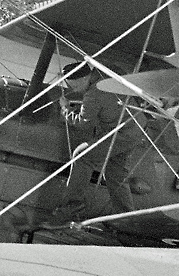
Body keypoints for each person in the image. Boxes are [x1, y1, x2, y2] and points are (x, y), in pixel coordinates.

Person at [59, 63, 149, 216]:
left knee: (82, 156)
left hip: (122, 133)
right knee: (116, 173)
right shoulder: (104, 75)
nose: (73, 89)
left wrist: (65, 109)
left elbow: (83, 123)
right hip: (137, 127)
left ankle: (73, 205)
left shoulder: (93, 94)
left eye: (72, 85)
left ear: (81, 80)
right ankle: (125, 215)